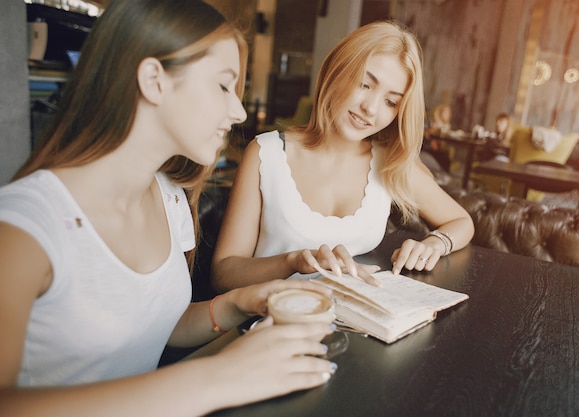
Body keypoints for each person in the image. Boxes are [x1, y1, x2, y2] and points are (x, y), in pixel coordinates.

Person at [0, 1, 337, 416]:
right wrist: (215, 378)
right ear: (154, 80)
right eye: (223, 86)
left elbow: (156, 325)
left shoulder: (169, 197)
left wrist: (240, 302)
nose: (239, 111)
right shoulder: (23, 226)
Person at [211, 20, 475, 293]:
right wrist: (292, 261)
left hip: (351, 326)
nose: (370, 108)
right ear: (336, 71)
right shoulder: (266, 154)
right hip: (267, 320)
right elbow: (224, 273)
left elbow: (462, 222)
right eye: (364, 84)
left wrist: (434, 243)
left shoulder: (390, 163)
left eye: (391, 102)